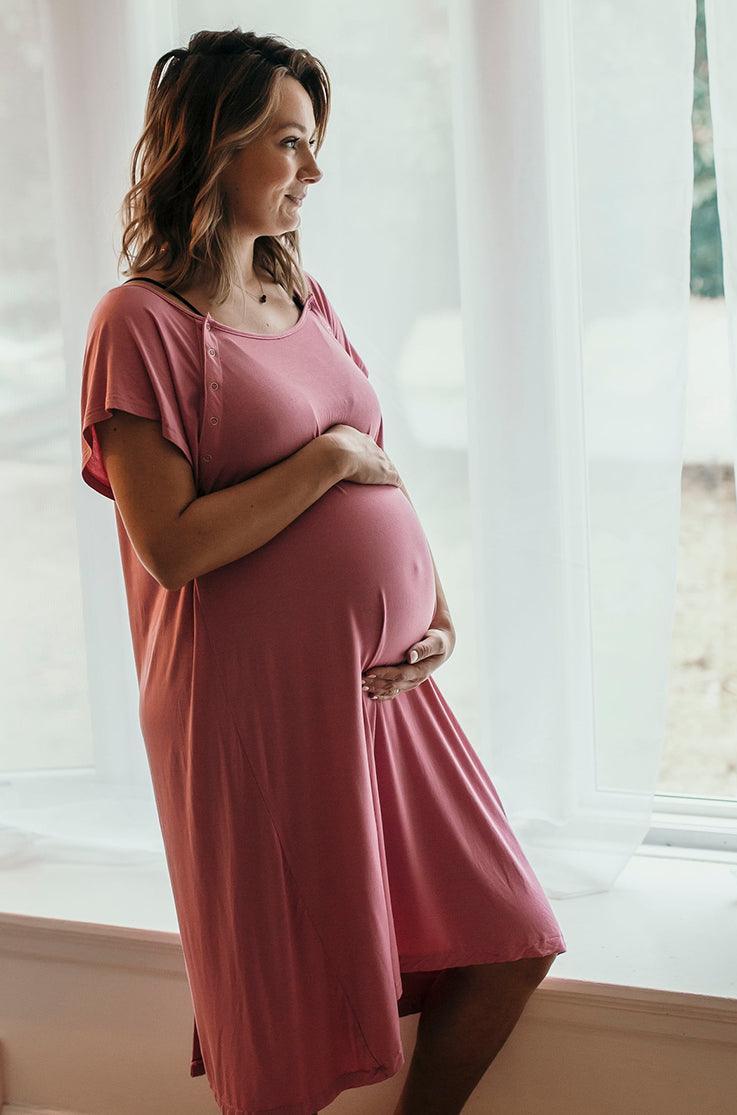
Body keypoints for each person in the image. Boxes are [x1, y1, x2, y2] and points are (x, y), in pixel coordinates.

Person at [79, 27, 566, 1115]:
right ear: (214, 146)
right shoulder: (139, 323)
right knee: (282, 1015)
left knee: (509, 934)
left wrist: (427, 603)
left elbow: (374, 451)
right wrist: (329, 460)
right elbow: (174, 542)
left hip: (387, 694)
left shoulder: (302, 288)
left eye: (313, 142)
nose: (313, 169)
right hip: (249, 710)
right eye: (289, 143)